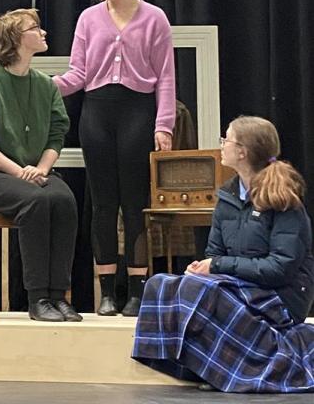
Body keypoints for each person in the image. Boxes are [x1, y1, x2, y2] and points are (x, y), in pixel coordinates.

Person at [132, 116, 314, 393]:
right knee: (163, 284)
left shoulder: (283, 199)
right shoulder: (228, 196)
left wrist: (217, 265)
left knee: (207, 293)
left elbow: (280, 268)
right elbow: (214, 251)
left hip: (282, 295)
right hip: (240, 284)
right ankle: (197, 365)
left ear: (242, 151)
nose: (221, 145)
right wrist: (204, 267)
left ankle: (221, 369)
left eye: (226, 139)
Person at [53, 0, 176, 316]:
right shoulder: (89, 19)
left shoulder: (155, 18)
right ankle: (106, 290)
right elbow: (77, 73)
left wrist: (163, 125)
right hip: (97, 113)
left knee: (135, 203)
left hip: (137, 112)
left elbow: (166, 78)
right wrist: (41, 86)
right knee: (103, 203)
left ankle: (137, 289)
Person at [0, 8, 81, 322]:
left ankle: (59, 295)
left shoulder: (45, 85)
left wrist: (41, 167)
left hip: (34, 173)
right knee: (37, 201)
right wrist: (19, 171)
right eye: (35, 28)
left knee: (65, 199)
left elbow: (57, 134)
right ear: (15, 39)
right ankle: (38, 297)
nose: (43, 33)